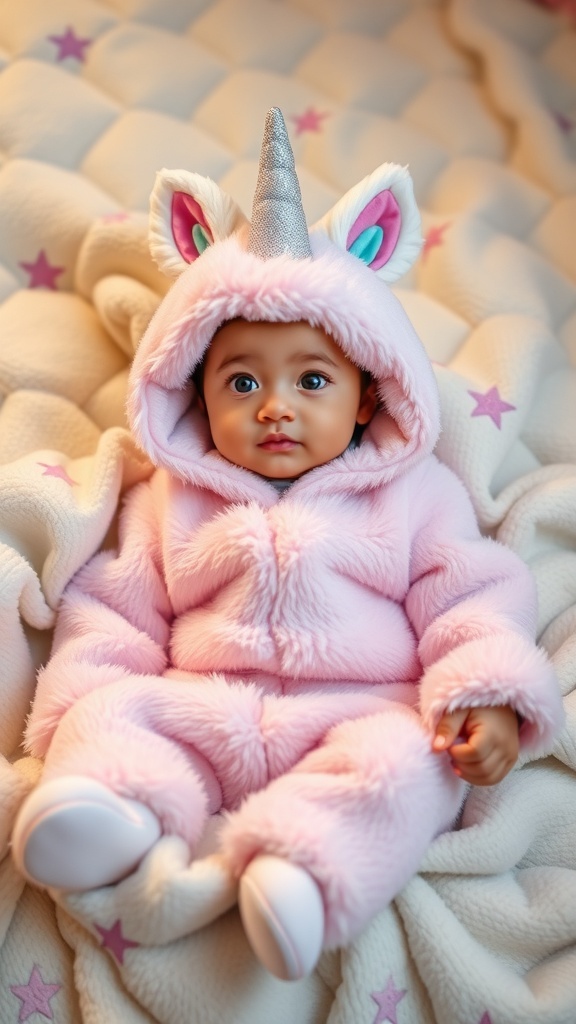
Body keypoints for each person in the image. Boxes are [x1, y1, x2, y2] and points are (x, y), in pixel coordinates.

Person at [11, 108, 564, 982]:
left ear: (369, 395)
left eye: (312, 379)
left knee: (405, 771)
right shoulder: (171, 497)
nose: (276, 406)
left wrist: (484, 696)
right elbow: (114, 612)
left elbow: (471, 596)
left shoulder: (413, 494)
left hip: (357, 709)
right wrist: (81, 708)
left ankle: (305, 869)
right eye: (243, 380)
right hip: (201, 701)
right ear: (194, 390)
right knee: (115, 720)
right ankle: (108, 806)